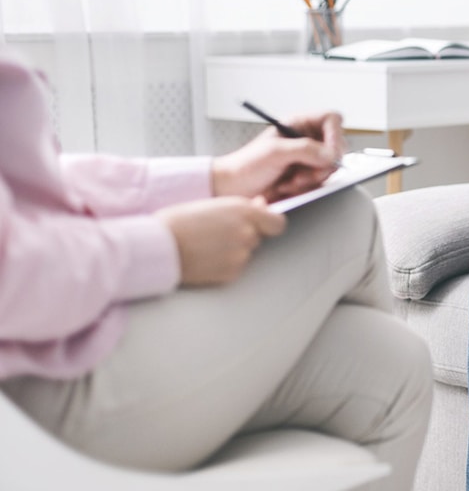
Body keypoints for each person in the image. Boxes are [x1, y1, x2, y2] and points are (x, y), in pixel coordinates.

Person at [0, 47, 433, 491]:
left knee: (395, 364)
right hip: (32, 396)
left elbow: (38, 186)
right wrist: (165, 246)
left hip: (62, 341)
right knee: (342, 214)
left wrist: (217, 178)